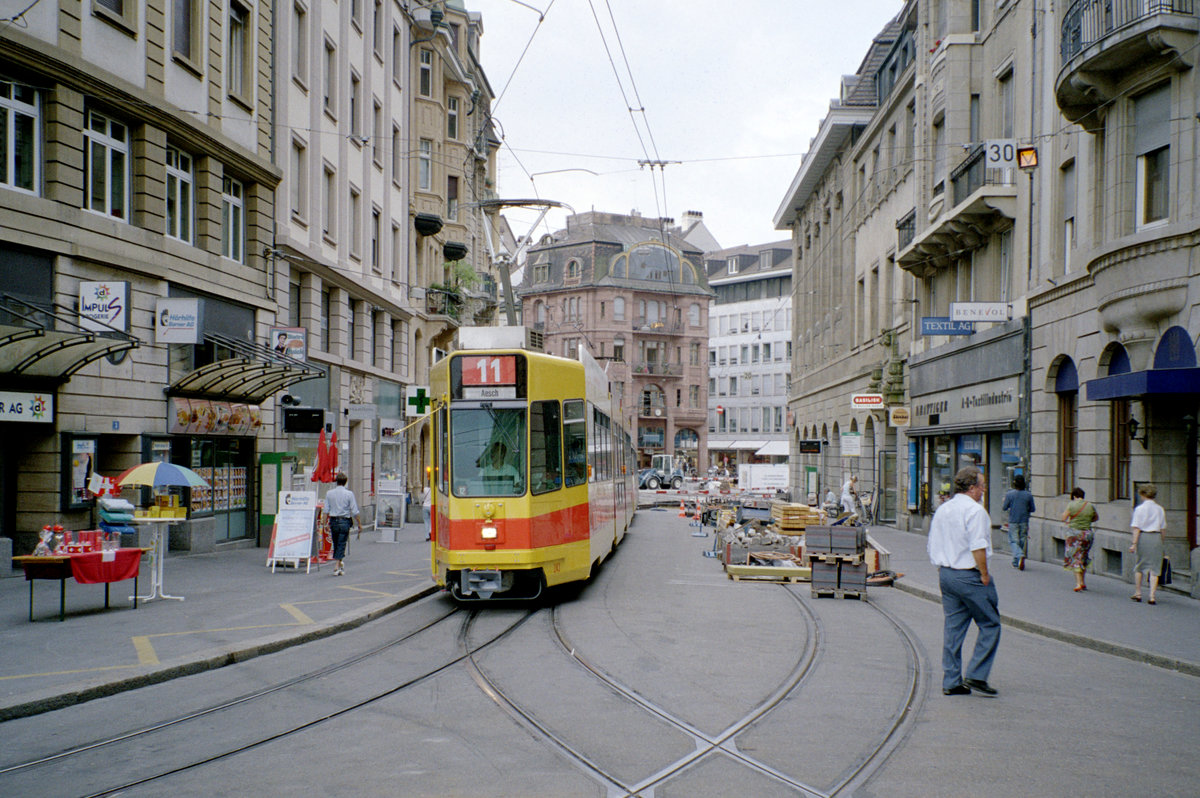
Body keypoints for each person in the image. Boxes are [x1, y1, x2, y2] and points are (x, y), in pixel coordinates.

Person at [927, 465, 1000, 697]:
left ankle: (951, 680)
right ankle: (977, 675)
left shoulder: (943, 509)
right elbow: (978, 546)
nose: (984, 490)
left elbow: (932, 542)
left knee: (953, 628)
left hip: (946, 573)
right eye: (982, 486)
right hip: (969, 574)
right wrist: (985, 574)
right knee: (990, 623)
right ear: (972, 488)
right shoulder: (976, 511)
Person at [1129, 483, 1166, 604]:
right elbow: (1163, 528)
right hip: (1156, 537)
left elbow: (1136, 528)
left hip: (1144, 536)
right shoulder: (1159, 509)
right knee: (1155, 567)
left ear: (1143, 494)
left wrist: (1134, 543)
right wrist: (1161, 541)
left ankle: (1138, 593)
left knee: (1140, 565)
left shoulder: (1139, 509)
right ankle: (1152, 596)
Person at [1061, 487, 1098, 592]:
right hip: (1087, 534)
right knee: (1083, 556)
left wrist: (1070, 521)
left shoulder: (1071, 504)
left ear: (1074, 496)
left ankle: (1078, 583)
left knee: (1076, 557)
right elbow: (1096, 518)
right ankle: (1083, 581)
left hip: (1074, 534)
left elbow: (1063, 518)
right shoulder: (1090, 505)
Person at [324, 472, 361, 576]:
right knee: (342, 543)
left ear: (336, 482)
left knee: (336, 542)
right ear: (345, 482)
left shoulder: (329, 493)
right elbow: (355, 511)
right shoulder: (349, 494)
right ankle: (336, 565)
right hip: (344, 521)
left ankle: (340, 565)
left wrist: (324, 524)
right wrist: (359, 523)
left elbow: (326, 510)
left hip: (333, 521)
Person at [1001, 475, 1035, 570]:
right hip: (1024, 520)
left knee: (1014, 540)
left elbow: (1004, 507)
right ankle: (1017, 560)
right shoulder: (1028, 495)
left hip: (1013, 520)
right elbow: (1033, 509)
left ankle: (1019, 555)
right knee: (1022, 540)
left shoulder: (1010, 494)